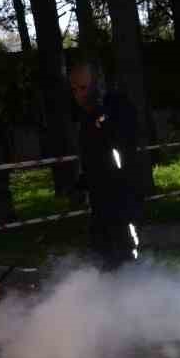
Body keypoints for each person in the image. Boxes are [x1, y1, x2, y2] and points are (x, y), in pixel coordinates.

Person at [69, 60, 144, 269]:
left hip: (122, 199)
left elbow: (123, 150)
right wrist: (84, 180)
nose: (79, 95)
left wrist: (104, 121)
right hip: (100, 203)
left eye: (83, 87)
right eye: (74, 90)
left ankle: (138, 283)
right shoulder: (87, 119)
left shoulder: (118, 108)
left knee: (126, 254)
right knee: (101, 254)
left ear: (97, 83)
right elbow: (95, 158)